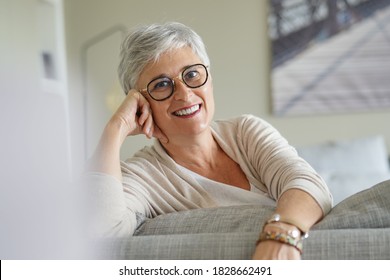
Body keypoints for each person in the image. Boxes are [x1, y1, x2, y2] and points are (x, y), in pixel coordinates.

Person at [88, 22, 333, 260]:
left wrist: (280, 236)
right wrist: (115, 129)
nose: (185, 94)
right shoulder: (142, 175)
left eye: (192, 74)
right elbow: (102, 236)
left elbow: (311, 186)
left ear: (210, 79)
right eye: (162, 85)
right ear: (139, 105)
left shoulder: (245, 132)